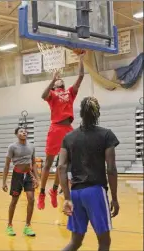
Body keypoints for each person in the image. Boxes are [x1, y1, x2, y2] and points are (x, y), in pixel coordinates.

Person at [58, 97, 120, 251]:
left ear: (80, 113)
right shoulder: (106, 135)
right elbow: (111, 169)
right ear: (97, 113)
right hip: (95, 192)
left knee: (75, 242)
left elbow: (61, 167)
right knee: (104, 243)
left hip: (75, 193)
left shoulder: (69, 137)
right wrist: (115, 198)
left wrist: (66, 198)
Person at [37, 56, 85, 210]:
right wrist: (52, 80)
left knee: (63, 163)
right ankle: (42, 193)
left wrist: (81, 58)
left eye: (60, 79)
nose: (60, 80)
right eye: (57, 80)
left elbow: (81, 76)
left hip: (68, 129)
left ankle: (54, 189)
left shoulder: (70, 92)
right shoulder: (52, 95)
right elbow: (43, 95)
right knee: (48, 163)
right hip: (55, 128)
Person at [2, 127, 39, 236]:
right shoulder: (12, 147)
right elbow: (7, 165)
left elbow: (34, 163)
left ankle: (27, 226)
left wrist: (37, 178)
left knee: (31, 199)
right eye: (21, 131)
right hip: (17, 175)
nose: (24, 133)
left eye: (25, 131)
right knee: (14, 201)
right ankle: (9, 225)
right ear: (16, 134)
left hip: (28, 175)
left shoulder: (31, 146)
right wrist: (4, 182)